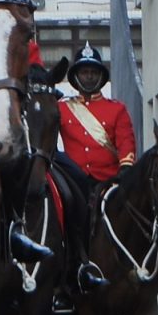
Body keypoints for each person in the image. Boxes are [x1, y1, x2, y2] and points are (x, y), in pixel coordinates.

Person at [55, 43, 136, 288]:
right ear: (76, 77)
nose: (89, 76)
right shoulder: (62, 108)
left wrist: (125, 167)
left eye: (93, 72)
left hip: (107, 180)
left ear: (101, 76)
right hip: (74, 181)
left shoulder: (116, 109)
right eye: (84, 72)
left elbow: (126, 141)